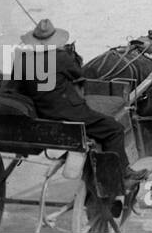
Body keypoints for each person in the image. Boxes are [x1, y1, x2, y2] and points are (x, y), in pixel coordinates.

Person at [14, 20, 138, 179]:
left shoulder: (23, 60)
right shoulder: (62, 57)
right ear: (54, 39)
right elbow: (79, 74)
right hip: (69, 114)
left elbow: (19, 86)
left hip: (41, 115)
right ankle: (120, 175)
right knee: (114, 129)